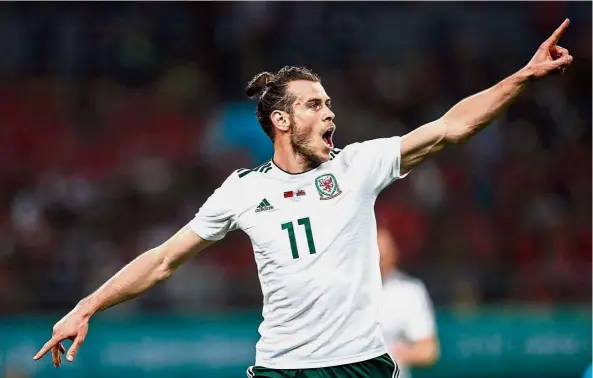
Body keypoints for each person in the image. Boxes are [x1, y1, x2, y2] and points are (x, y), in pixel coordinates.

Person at [33, 19, 573, 378]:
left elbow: (450, 127)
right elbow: (164, 259)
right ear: (282, 120)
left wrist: (522, 77)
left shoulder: (358, 166)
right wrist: (87, 305)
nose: (330, 113)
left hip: (361, 365)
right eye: (315, 105)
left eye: (329, 103)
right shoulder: (243, 190)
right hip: (281, 370)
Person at [378, 226, 439, 378]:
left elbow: (429, 350)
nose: (380, 260)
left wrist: (398, 353)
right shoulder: (343, 289)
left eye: (384, 254)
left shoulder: (409, 292)